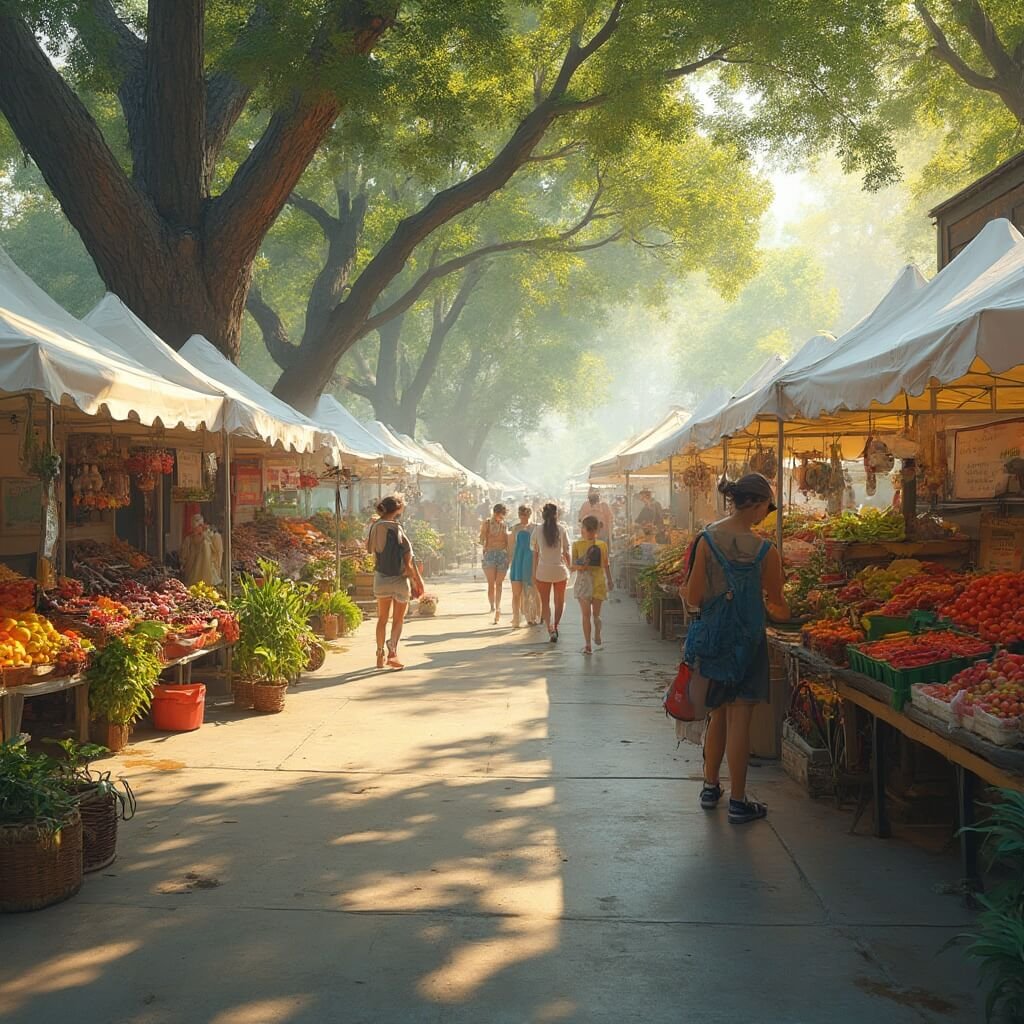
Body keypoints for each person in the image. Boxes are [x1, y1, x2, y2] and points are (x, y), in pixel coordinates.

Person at [682, 473, 789, 825]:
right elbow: (777, 605)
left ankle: (711, 788)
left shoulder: (706, 540)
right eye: (766, 508)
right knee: (741, 717)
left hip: (713, 640)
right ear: (756, 503)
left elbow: (693, 596)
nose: (765, 515)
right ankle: (739, 802)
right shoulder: (766, 551)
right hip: (748, 642)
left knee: (718, 714)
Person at [366, 495, 424, 670]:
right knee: (398, 620)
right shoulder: (398, 528)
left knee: (382, 619)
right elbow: (408, 559)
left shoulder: (374, 527)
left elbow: (369, 549)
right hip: (399, 581)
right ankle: (392, 651)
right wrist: (417, 580)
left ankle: (379, 653)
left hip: (381, 578)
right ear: (397, 510)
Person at [572, 515, 613, 654]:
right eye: (586, 529)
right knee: (585, 614)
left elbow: (606, 564)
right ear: (582, 529)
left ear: (597, 530)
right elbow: (573, 565)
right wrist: (581, 567)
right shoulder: (577, 545)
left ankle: (597, 633)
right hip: (583, 582)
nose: (588, 532)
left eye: (591, 530)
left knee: (595, 615)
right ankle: (588, 644)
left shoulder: (602, 545)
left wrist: (610, 580)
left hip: (598, 582)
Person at [532, 502, 571, 643]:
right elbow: (566, 552)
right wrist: (571, 567)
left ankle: (550, 629)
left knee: (545, 602)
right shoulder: (562, 529)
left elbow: (535, 553)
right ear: (557, 515)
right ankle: (556, 625)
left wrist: (533, 572)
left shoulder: (537, 530)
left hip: (542, 571)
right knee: (559, 602)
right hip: (559, 571)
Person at [509, 505, 540, 628]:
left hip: (530, 558)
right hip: (518, 559)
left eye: (526, 514)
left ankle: (531, 615)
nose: (523, 516)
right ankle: (516, 617)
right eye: (521, 514)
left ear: (530, 514)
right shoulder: (515, 528)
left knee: (530, 589)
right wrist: (510, 560)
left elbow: (538, 545)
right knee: (516, 591)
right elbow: (511, 546)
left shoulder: (535, 527)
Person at [480, 503, 510, 623]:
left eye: (503, 515)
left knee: (499, 583)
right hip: (490, 554)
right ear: (495, 513)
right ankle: (492, 605)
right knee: (491, 583)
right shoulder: (486, 523)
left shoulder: (504, 525)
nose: (502, 517)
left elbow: (508, 541)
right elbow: (481, 538)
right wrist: (484, 544)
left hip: (502, 554)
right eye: (501, 515)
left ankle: (498, 605)